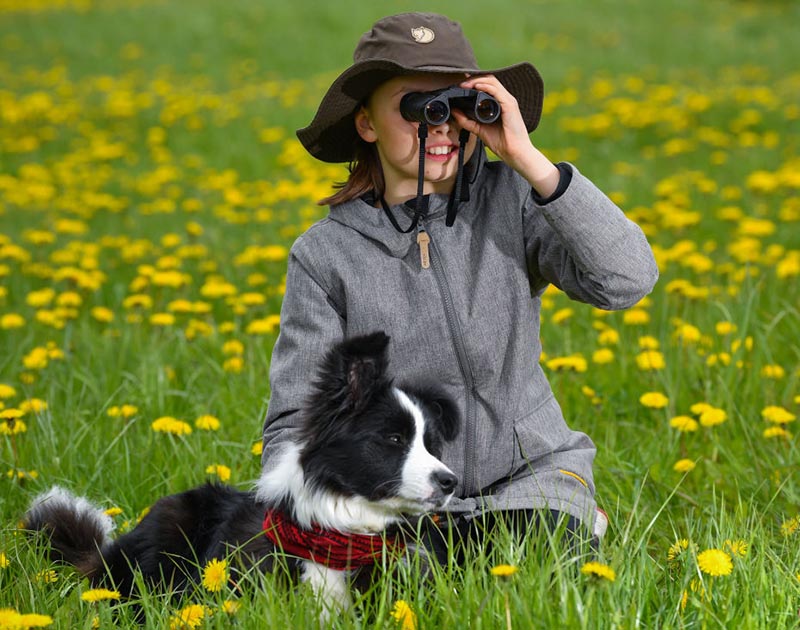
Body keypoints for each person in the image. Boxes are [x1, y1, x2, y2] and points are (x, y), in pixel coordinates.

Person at [261, 12, 658, 558]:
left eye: (456, 104)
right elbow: (296, 413)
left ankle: (567, 521)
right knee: (404, 583)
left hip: (528, 481)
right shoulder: (326, 256)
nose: (441, 125)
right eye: (417, 107)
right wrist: (304, 522)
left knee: (540, 558)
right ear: (367, 122)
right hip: (399, 500)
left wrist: (530, 162)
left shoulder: (513, 203)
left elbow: (627, 280)